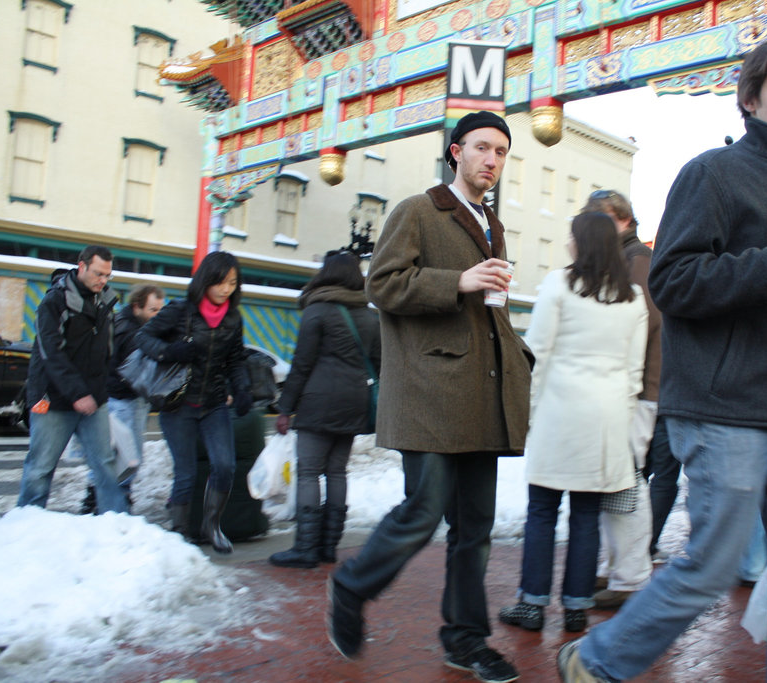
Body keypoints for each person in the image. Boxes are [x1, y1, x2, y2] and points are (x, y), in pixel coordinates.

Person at [557, 36, 767, 682]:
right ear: (751, 99)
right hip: (729, 408)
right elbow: (675, 282)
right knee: (712, 565)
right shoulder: (712, 173)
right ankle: (597, 659)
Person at [328, 110, 532, 683]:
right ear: (456, 152)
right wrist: (458, 281)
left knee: (476, 528)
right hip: (429, 392)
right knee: (423, 510)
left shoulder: (491, 223)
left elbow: (490, 311)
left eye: (501, 153)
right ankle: (351, 587)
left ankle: (464, 640)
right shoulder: (418, 210)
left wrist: (516, 357)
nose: (492, 160)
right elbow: (383, 285)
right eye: (483, 148)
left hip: (479, 394)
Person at [498, 212, 646, 633]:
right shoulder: (633, 297)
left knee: (542, 511)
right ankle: (577, 606)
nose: (567, 241)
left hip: (560, 413)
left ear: (581, 241)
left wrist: (528, 410)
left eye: (570, 235)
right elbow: (634, 372)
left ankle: (532, 603)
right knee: (586, 515)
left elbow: (538, 353)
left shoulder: (559, 285)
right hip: (608, 420)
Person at [269, 250, 380, 569]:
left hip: (318, 402)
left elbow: (302, 364)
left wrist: (285, 408)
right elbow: (379, 363)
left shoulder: (316, 311)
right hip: (354, 402)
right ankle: (329, 546)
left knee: (307, 472)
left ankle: (305, 548)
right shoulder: (369, 316)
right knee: (336, 471)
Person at [580, 189, 665, 607]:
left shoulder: (637, 262)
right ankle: (620, 571)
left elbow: (636, 327)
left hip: (635, 390)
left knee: (626, 483)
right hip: (631, 388)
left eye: (599, 223)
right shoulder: (628, 260)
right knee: (620, 482)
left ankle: (630, 577)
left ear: (621, 219)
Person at [136, 251, 252, 553]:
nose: (226, 289)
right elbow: (144, 338)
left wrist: (242, 388)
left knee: (225, 465)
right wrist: (170, 351)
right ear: (206, 281)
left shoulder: (233, 318)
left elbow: (236, 360)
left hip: (213, 404)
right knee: (185, 472)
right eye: (220, 283)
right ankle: (179, 532)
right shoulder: (180, 311)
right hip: (178, 404)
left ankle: (212, 526)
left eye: (232, 283)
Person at [17, 245, 128, 514]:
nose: (103, 280)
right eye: (99, 273)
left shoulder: (105, 302)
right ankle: (26, 525)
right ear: (82, 267)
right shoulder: (54, 302)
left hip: (94, 400)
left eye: (108, 275)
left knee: (104, 463)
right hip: (50, 399)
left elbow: (107, 350)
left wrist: (100, 389)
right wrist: (78, 393)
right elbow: (50, 355)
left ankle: (115, 522)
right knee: (41, 466)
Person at [78, 283, 166, 514]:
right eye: (153, 310)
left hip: (117, 396)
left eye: (160, 309)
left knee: (114, 452)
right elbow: (139, 375)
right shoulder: (134, 333)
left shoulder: (120, 322)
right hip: (126, 400)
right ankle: (115, 500)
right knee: (128, 455)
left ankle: (96, 498)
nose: (157, 315)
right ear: (137, 306)